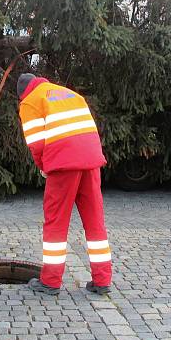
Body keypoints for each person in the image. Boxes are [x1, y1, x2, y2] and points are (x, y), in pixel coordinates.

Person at [16, 72, 112, 296]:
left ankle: (50, 282)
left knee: (56, 222)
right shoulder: (70, 94)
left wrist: (43, 166)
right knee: (95, 220)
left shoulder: (30, 101)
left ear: (21, 94)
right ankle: (102, 280)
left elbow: (36, 144)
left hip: (63, 165)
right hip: (90, 162)